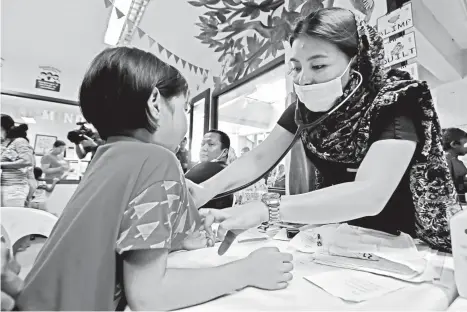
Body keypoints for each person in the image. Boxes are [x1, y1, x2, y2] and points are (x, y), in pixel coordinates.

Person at [16, 47, 293, 311]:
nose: (185, 124)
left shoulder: (108, 156)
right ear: (155, 103)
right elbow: (149, 297)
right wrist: (245, 271)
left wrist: (178, 240)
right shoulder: (157, 160)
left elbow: (113, 238)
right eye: (184, 108)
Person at [187, 8, 458, 253]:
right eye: (296, 67)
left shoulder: (393, 105)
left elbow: (370, 193)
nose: (304, 78)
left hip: (407, 243)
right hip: (345, 234)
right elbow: (259, 158)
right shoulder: (301, 113)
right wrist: (204, 190)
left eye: (318, 66)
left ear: (358, 63)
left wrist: (266, 210)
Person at [185, 130, 234, 209]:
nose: (204, 148)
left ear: (224, 152)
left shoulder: (214, 168)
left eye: (211, 144)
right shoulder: (226, 171)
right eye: (202, 144)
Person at [1, 115, 34, 207]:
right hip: (5, 186)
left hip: (14, 187)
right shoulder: (6, 144)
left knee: (12, 218)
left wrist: (1, 164)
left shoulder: (19, 141)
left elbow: (27, 161)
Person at [442, 128, 467, 203]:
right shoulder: (446, 161)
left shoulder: (454, 160)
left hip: (460, 203)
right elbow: (447, 187)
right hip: (454, 206)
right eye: (465, 144)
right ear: (454, 144)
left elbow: (460, 183)